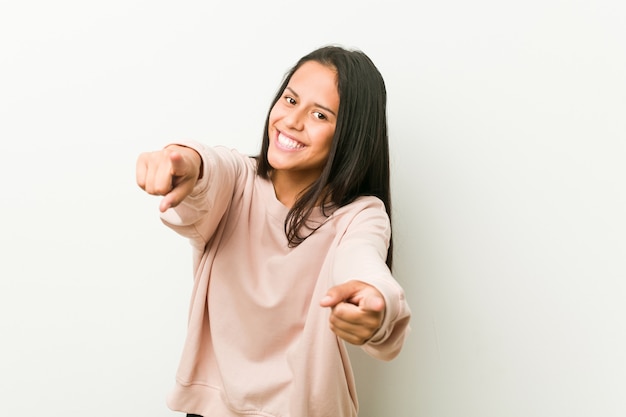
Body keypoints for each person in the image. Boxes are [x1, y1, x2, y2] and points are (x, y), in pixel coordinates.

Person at [136, 45, 411, 417]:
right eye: (290, 99)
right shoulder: (238, 182)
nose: (292, 121)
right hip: (214, 408)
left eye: (319, 114)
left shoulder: (358, 216)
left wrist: (374, 303)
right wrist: (181, 160)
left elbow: (364, 262)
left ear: (350, 135)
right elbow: (207, 168)